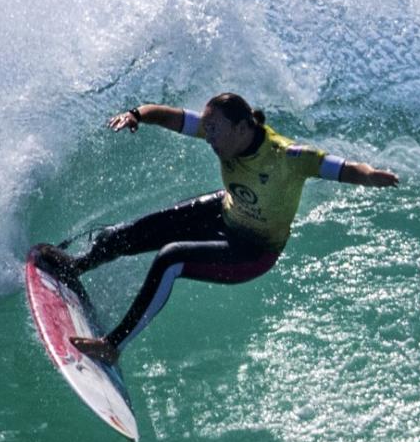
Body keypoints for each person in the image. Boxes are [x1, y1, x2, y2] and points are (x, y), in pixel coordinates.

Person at [36, 92, 398, 366]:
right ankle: (76, 266)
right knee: (128, 232)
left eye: (216, 131)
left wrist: (374, 177)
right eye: (207, 130)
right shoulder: (223, 131)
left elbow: (342, 168)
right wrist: (136, 115)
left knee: (171, 258)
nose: (209, 139)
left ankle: (112, 346)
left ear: (243, 128)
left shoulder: (288, 157)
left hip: (253, 252)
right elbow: (175, 117)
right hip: (226, 211)